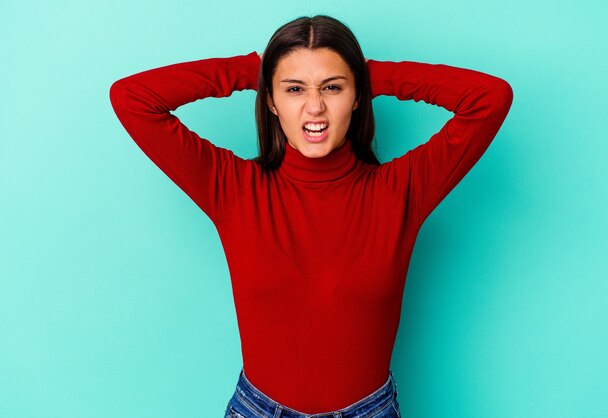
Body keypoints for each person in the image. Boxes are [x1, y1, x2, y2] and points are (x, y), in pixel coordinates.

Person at [109, 14, 513, 418]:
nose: (315, 107)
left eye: (333, 88)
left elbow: (489, 98)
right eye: (294, 89)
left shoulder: (400, 191)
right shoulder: (234, 189)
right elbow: (133, 98)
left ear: (356, 96)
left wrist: (374, 76)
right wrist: (254, 70)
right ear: (270, 100)